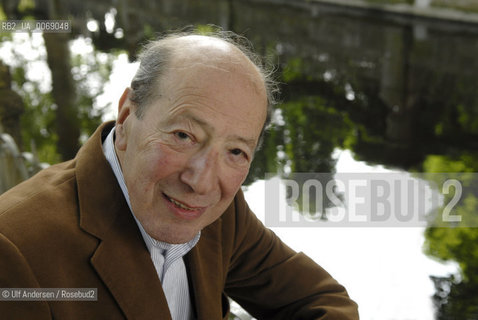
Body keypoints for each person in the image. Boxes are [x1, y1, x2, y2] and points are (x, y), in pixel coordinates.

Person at [0, 30, 359, 319]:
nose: (201, 182)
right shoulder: (13, 251)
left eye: (236, 151)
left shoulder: (220, 212)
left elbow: (324, 302)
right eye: (183, 136)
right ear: (126, 117)